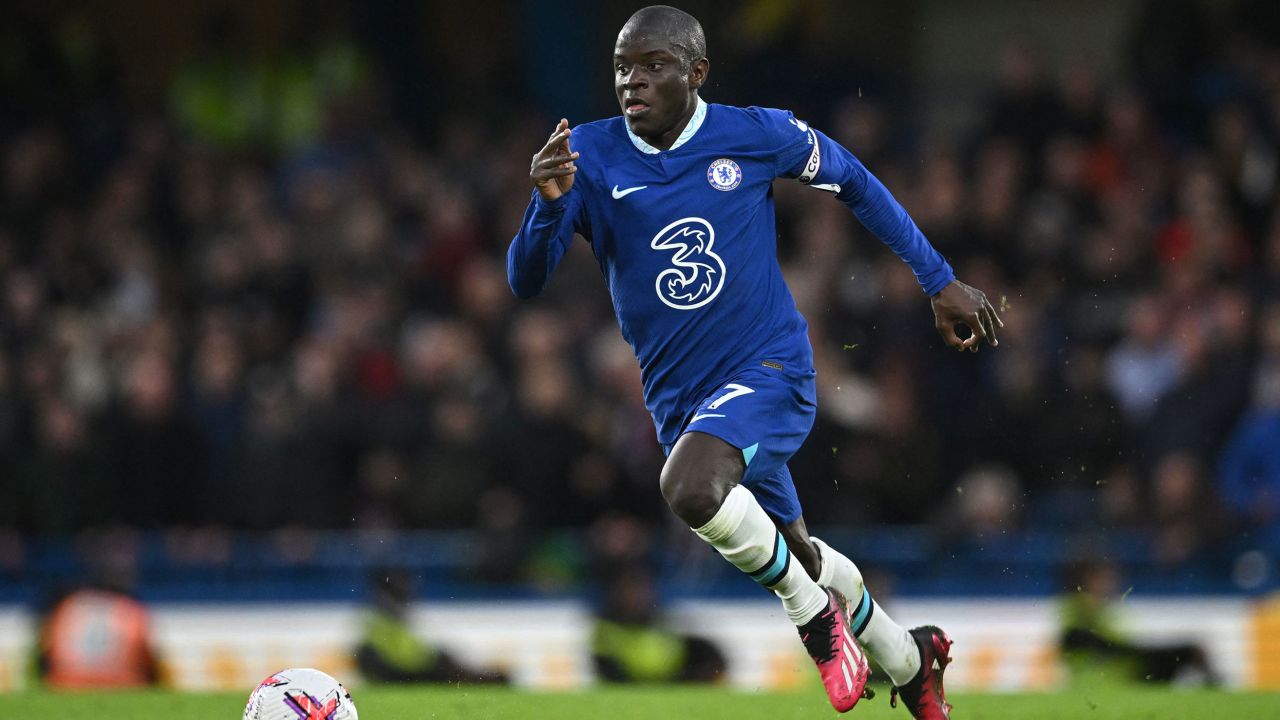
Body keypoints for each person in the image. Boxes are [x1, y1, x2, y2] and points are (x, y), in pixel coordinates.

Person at [507, 6, 1001, 716]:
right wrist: (547, 204)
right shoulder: (588, 155)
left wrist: (938, 279)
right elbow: (526, 279)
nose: (632, 82)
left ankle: (814, 620)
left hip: (770, 370)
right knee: (795, 550)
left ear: (696, 71)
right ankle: (911, 660)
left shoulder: (755, 133)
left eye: (653, 65)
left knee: (688, 491)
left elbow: (854, 178)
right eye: (622, 67)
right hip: (681, 400)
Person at [355, 569, 509, 685]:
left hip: (402, 668)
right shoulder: (381, 619)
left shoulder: (377, 617)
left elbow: (410, 650)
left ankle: (482, 678)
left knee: (443, 659)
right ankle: (484, 679)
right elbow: (403, 654)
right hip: (399, 670)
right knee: (443, 662)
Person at [591, 564, 726, 683]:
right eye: (630, 590)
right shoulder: (606, 630)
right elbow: (608, 672)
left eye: (642, 589)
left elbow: (703, 654)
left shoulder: (665, 623)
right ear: (617, 593)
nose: (636, 596)